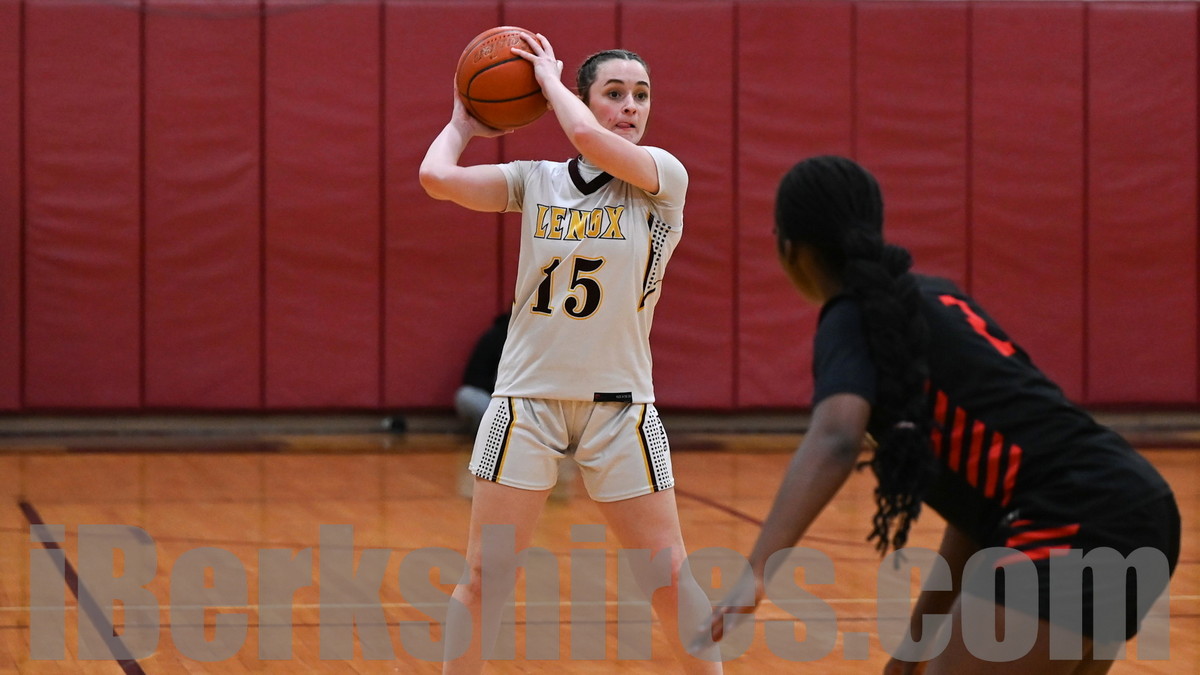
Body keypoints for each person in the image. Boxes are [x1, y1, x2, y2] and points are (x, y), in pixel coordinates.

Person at [701, 155, 1180, 673]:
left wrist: (757, 569)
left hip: (1070, 518)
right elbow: (974, 519)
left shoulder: (852, 317)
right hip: (1137, 506)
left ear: (790, 247)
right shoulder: (938, 299)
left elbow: (837, 439)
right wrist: (913, 649)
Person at [420, 32, 722, 674]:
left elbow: (586, 137)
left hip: (621, 408)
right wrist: (462, 123)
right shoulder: (536, 181)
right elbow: (436, 178)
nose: (631, 106)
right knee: (485, 578)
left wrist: (551, 84)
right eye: (614, 93)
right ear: (584, 99)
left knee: (669, 575)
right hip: (525, 404)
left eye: (641, 95)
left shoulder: (663, 178)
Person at [454, 311, 577, 500]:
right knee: (466, 396)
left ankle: (553, 439)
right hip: (497, 401)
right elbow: (473, 379)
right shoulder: (494, 337)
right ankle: (494, 436)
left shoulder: (547, 340)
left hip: (535, 403)